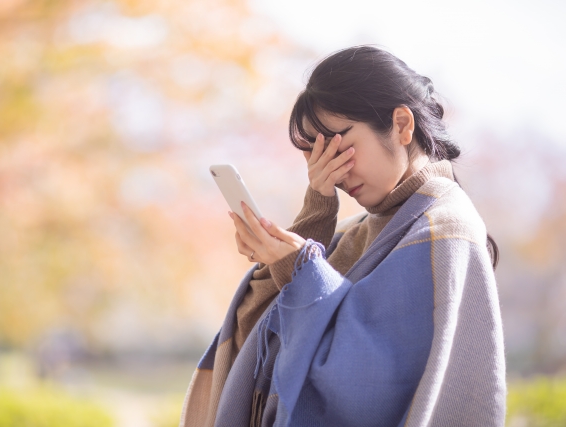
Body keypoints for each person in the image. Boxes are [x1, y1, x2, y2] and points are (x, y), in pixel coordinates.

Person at [181, 46, 506, 427]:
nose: (332, 169)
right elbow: (263, 329)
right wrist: (315, 215)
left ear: (402, 125)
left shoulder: (443, 230)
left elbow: (366, 382)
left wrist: (300, 266)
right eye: (315, 153)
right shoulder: (358, 230)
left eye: (340, 145)